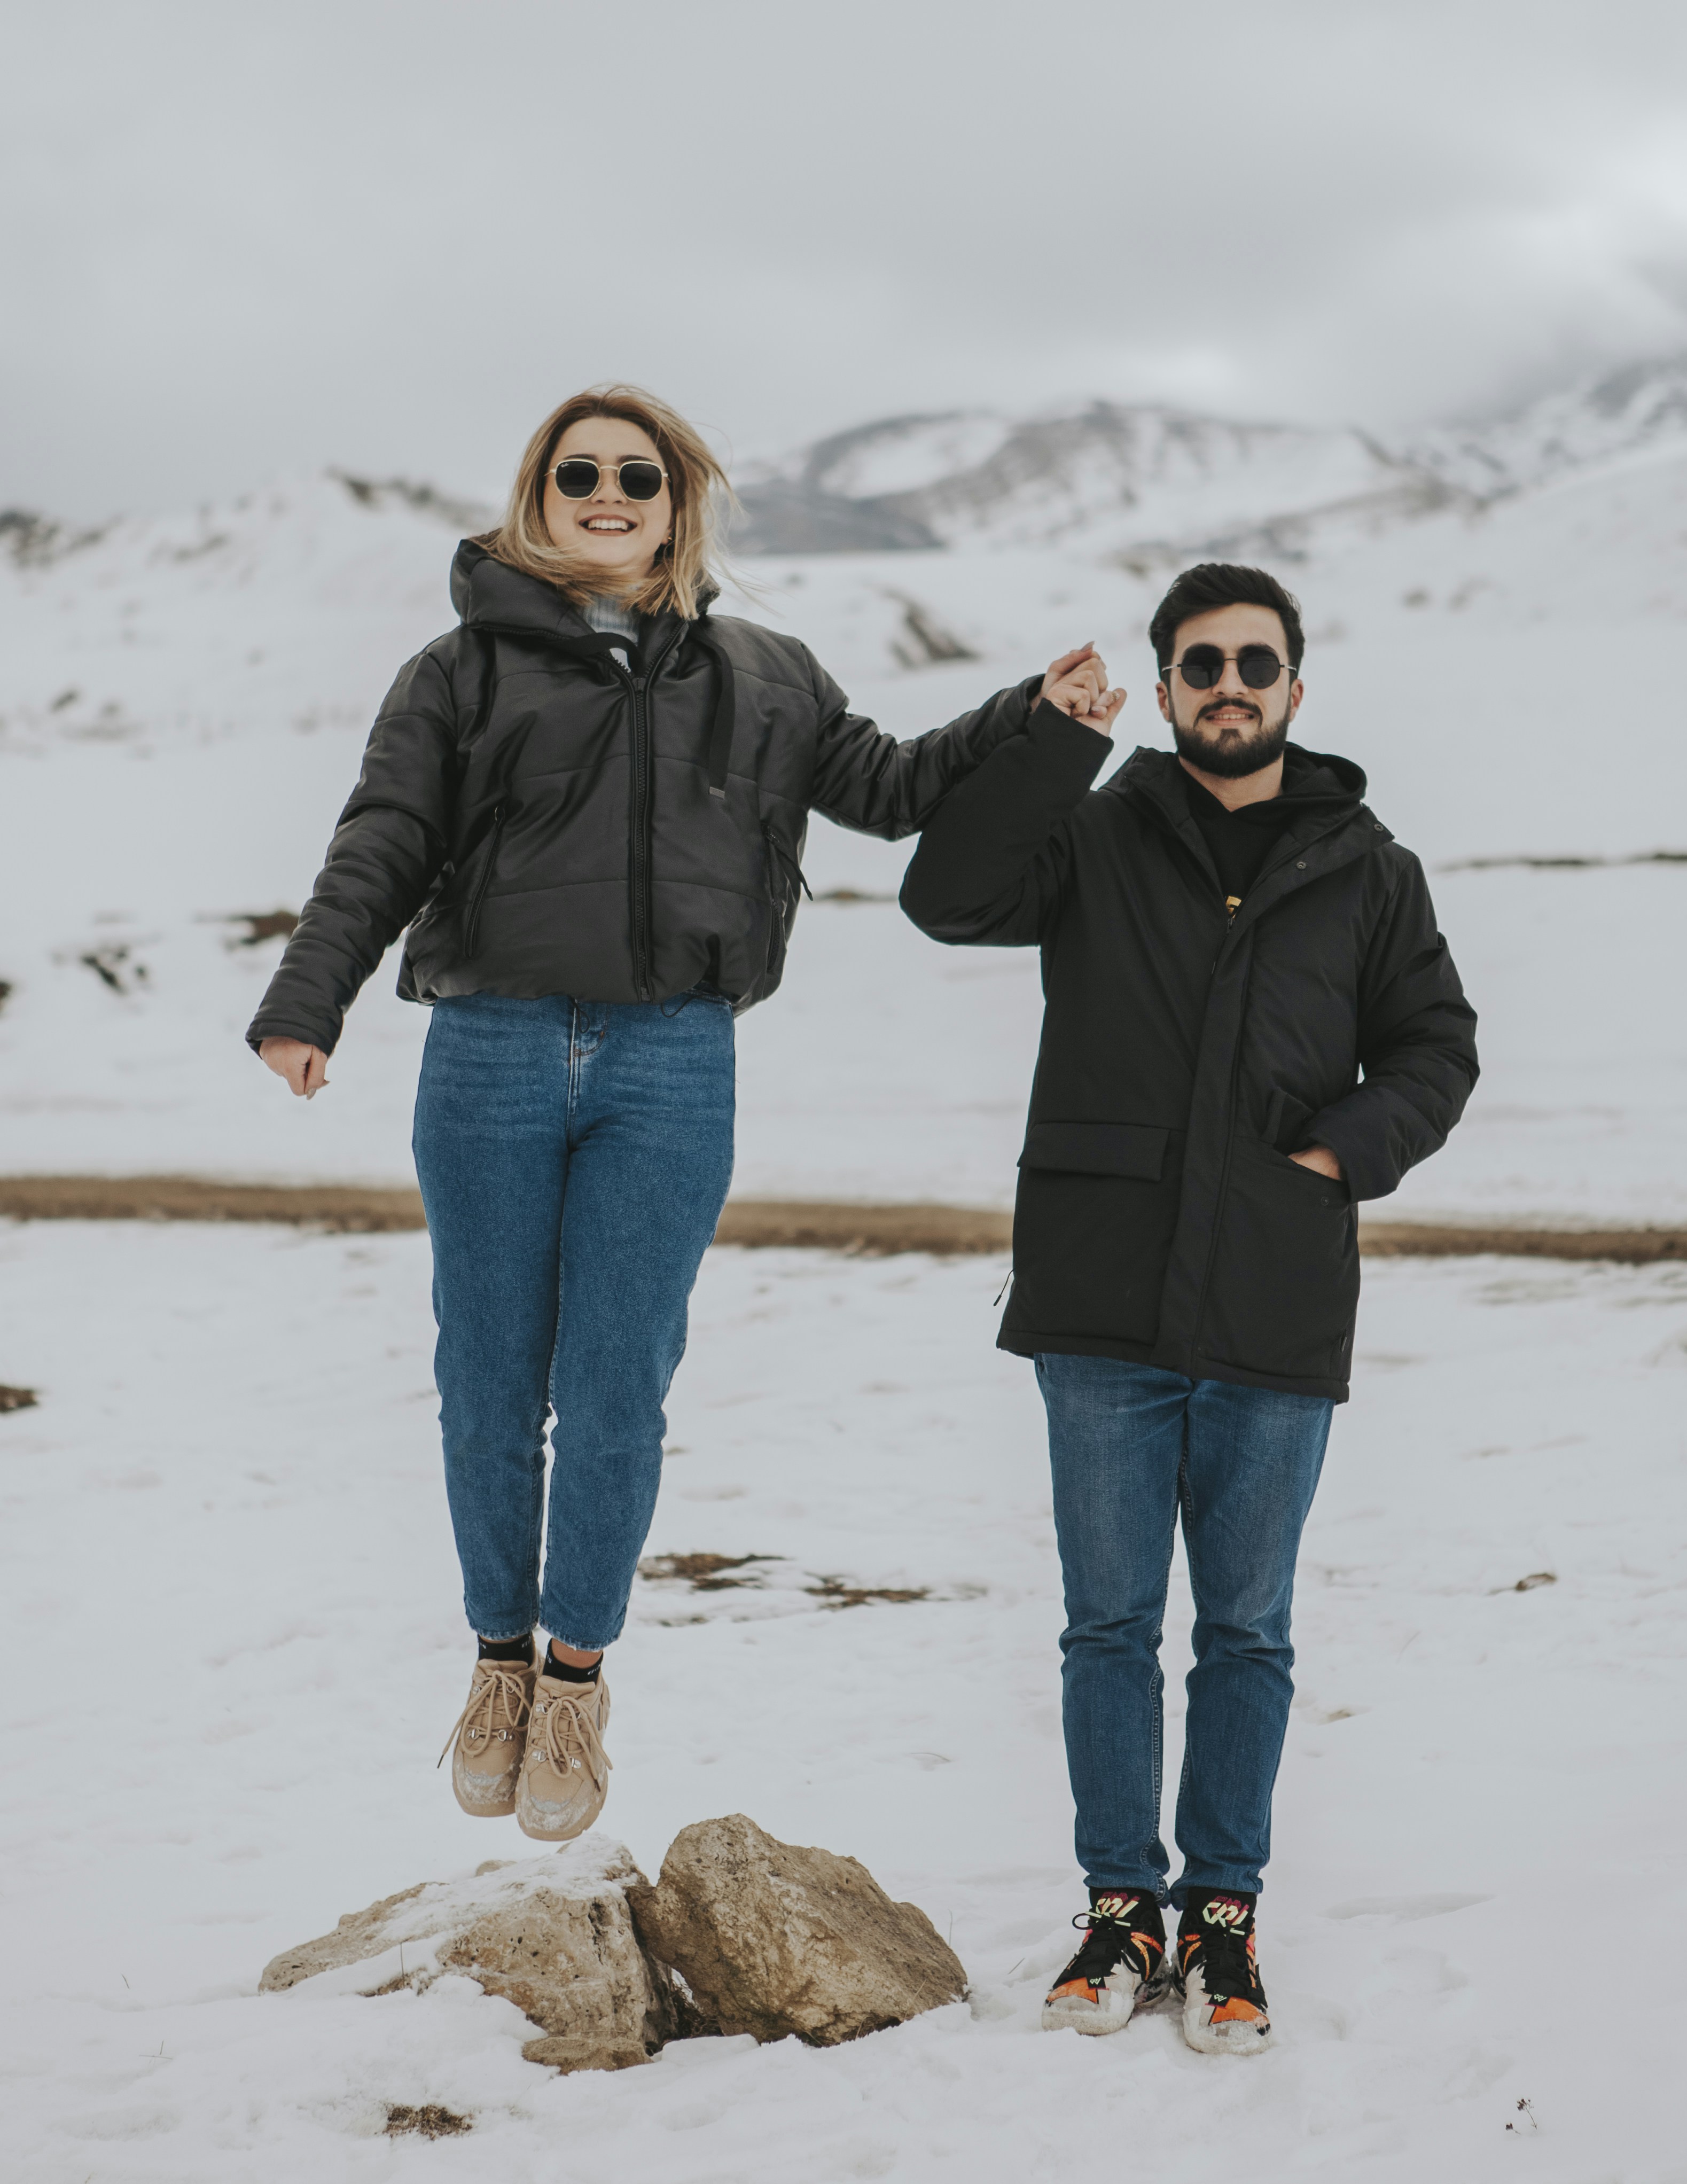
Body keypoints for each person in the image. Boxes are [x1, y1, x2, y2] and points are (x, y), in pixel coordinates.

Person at [247, 383, 1103, 1841]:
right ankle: (498, 1665)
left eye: (633, 475)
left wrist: (1035, 722)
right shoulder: (454, 673)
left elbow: (894, 790)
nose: (605, 492)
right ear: (537, 492)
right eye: (575, 471)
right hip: (494, 1048)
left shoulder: (765, 677)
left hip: (672, 1061)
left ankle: (577, 1678)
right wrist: (306, 998)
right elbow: (385, 838)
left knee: (622, 1387)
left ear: (675, 500)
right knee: (488, 1382)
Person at [900, 561, 1478, 2053]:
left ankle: (1221, 1914)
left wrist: (1338, 1152)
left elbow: (1437, 1048)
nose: (1231, 684)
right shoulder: (1095, 830)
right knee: (1106, 1626)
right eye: (1202, 663)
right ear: (1164, 689)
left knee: (1247, 1633)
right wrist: (1045, 740)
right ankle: (1116, 1910)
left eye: (1256, 662)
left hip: (1278, 1295)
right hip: (1100, 1297)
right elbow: (945, 895)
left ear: (1297, 687)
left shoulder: (1370, 867)